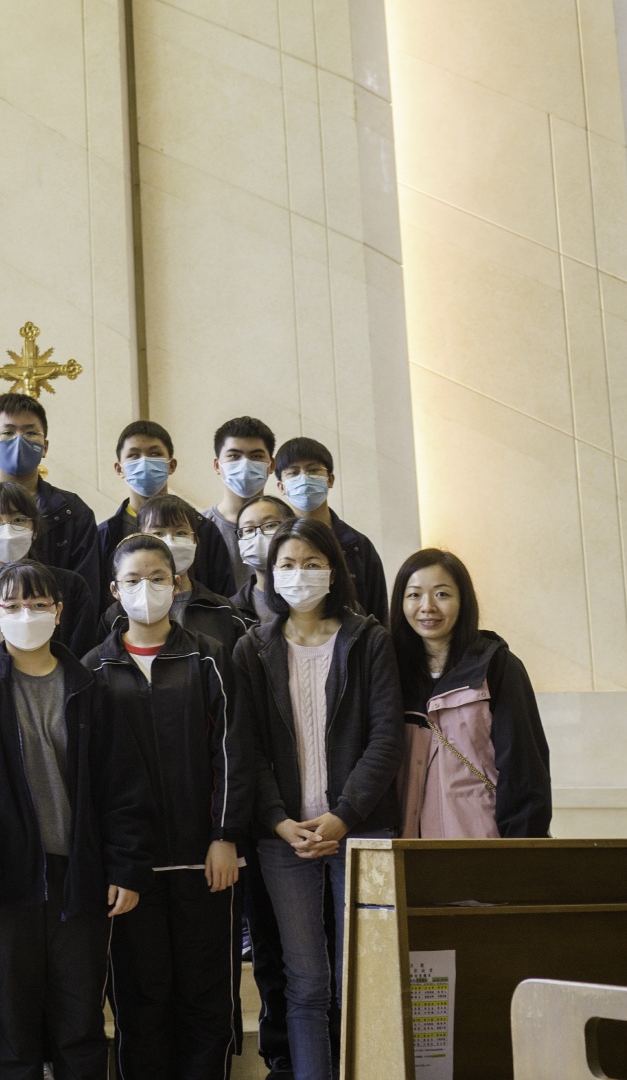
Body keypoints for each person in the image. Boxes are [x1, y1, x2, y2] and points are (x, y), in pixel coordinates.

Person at [0, 559, 148, 1080]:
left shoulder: (91, 688)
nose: (25, 614)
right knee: (14, 1023)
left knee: (80, 1020)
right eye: (12, 605)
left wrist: (126, 867)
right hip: (6, 881)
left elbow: (121, 788)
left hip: (82, 877)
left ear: (58, 612)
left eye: (37, 604)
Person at [233, 519, 403, 1080]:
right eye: (287, 564)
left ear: (333, 569)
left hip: (361, 832)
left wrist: (343, 815)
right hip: (284, 839)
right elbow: (248, 748)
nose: (299, 574)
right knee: (305, 983)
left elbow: (386, 739)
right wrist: (278, 821)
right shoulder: (253, 648)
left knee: (363, 978)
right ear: (270, 573)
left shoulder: (368, 639)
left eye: (311, 563)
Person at [87, 535, 245, 1080]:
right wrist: (113, 861)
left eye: (157, 577)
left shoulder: (210, 657)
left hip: (206, 861)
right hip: (132, 871)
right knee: (141, 1000)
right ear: (115, 590)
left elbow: (232, 751)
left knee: (206, 997)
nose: (146, 589)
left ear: (177, 583)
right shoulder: (94, 669)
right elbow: (92, 778)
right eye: (133, 580)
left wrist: (224, 835)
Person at [389, 548, 551, 838]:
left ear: (463, 600)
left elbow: (523, 768)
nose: (427, 607)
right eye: (414, 595)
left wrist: (521, 849)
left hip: (481, 842)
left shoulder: (496, 667)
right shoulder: (390, 671)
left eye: (442, 594)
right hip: (409, 845)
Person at [226, 490, 298, 1075]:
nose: (260, 538)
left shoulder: (349, 627)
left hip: (328, 810)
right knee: (272, 950)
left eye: (271, 526)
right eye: (248, 529)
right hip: (259, 809)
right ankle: (280, 1057)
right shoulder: (230, 619)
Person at [0, 393, 103, 617]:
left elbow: (86, 592)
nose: (19, 440)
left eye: (30, 433)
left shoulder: (72, 512)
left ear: (45, 446)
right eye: (8, 433)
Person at [0, 479, 96, 658]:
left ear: (35, 530)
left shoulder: (71, 587)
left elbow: (82, 656)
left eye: (19, 520)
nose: (7, 529)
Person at [97, 495, 249, 653]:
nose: (169, 541)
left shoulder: (223, 610)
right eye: (158, 533)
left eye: (181, 533)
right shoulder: (117, 615)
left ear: (195, 541)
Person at [96, 423, 233, 596]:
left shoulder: (202, 529)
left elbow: (223, 594)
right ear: (119, 469)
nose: (144, 462)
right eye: (134, 455)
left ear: (172, 465)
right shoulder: (104, 536)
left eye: (155, 454)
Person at [273, 437, 386, 622]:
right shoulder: (274, 544)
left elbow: (377, 612)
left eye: (313, 470)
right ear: (281, 487)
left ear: (330, 479)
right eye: (293, 473)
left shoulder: (357, 546)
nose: (304, 478)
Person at [204, 417, 276, 586]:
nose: (245, 464)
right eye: (234, 456)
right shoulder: (200, 527)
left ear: (271, 465)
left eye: (256, 456)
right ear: (217, 465)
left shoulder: (288, 526)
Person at [232, 493, 294, 628]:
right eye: (248, 530)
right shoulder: (232, 610)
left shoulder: (313, 594)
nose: (258, 535)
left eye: (270, 525)